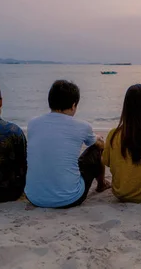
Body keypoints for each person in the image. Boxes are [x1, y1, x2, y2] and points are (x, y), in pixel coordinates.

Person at [25, 80, 110, 208]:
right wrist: (98, 138)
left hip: (34, 197)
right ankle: (101, 184)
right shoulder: (82, 126)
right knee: (96, 148)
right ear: (73, 105)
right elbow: (96, 143)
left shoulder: (33, 123)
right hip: (70, 198)